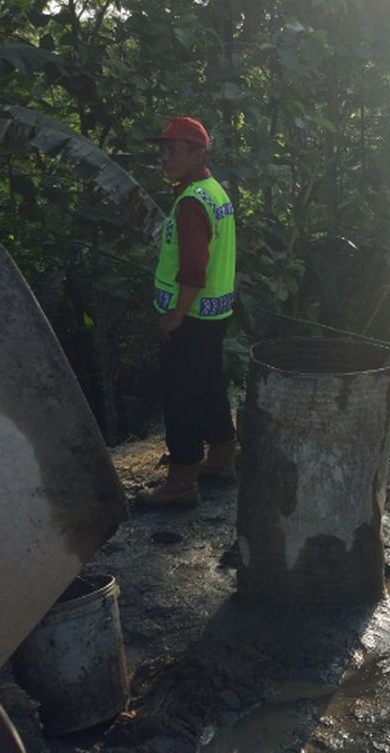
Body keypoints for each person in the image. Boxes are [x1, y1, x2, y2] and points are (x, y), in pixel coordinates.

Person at [136, 116, 238, 508]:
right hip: (214, 314)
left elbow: (194, 268)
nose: (165, 158)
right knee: (210, 385)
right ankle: (223, 458)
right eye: (162, 150)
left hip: (190, 318)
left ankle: (182, 482)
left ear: (198, 153)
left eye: (173, 150)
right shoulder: (215, 192)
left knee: (181, 397)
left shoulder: (192, 202)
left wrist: (175, 315)